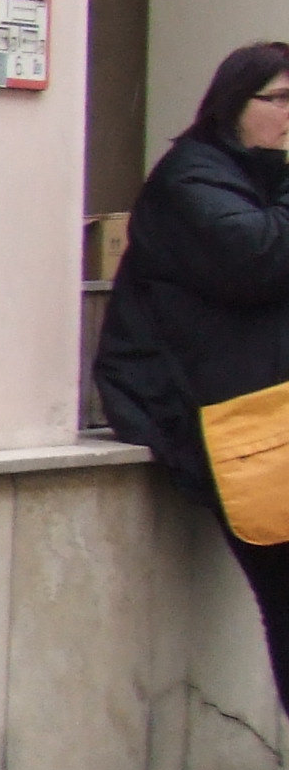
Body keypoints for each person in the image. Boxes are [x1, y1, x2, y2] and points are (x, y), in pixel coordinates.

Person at [95, 41, 289, 711]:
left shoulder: (263, 178)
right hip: (218, 420)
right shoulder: (190, 180)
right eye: (281, 99)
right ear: (233, 103)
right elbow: (258, 259)